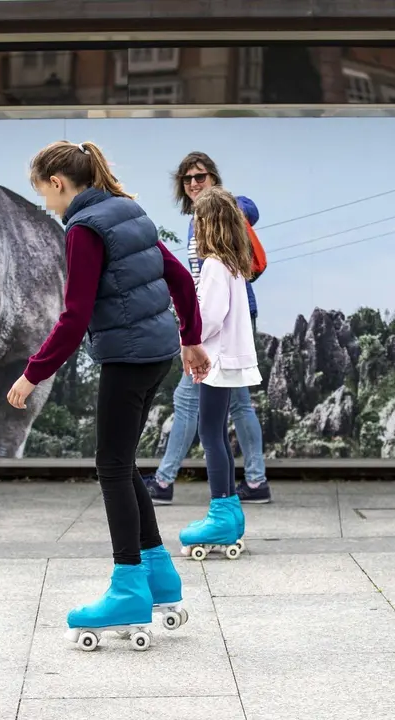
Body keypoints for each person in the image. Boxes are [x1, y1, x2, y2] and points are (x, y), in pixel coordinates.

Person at [6, 140, 210, 650]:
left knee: (111, 466)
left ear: (58, 182)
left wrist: (32, 374)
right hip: (157, 353)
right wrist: (190, 339)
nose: (46, 206)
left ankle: (126, 589)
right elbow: (181, 279)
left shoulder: (83, 229)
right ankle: (159, 577)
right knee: (121, 462)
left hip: (127, 356)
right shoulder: (128, 211)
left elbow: (74, 317)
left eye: (43, 194)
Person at [144, 151, 272, 506]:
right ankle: (256, 481)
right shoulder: (197, 221)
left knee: (187, 401)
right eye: (188, 179)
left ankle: (166, 480)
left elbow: (249, 207)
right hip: (224, 323)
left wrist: (191, 334)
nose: (194, 183)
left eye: (201, 177)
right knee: (238, 405)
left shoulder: (220, 213)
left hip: (218, 327)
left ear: (214, 179)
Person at [177, 185, 261, 559]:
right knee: (215, 432)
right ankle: (229, 512)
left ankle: (221, 512)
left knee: (209, 432)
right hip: (229, 359)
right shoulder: (232, 264)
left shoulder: (213, 266)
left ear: (208, 224)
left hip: (216, 360)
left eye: (198, 221)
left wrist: (185, 327)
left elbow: (208, 318)